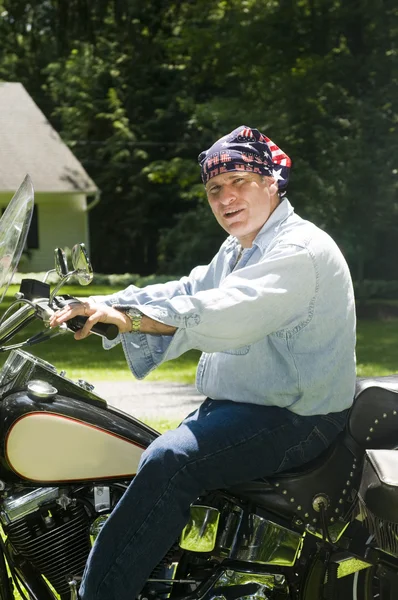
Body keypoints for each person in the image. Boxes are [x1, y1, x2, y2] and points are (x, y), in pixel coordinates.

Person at [50, 125, 356, 600]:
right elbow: (190, 290)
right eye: (215, 188)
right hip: (246, 407)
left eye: (240, 181)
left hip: (297, 417)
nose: (225, 197)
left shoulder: (297, 250)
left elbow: (227, 310)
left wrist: (130, 318)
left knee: (170, 460)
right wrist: (102, 302)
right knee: (121, 443)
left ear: (272, 182)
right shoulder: (241, 247)